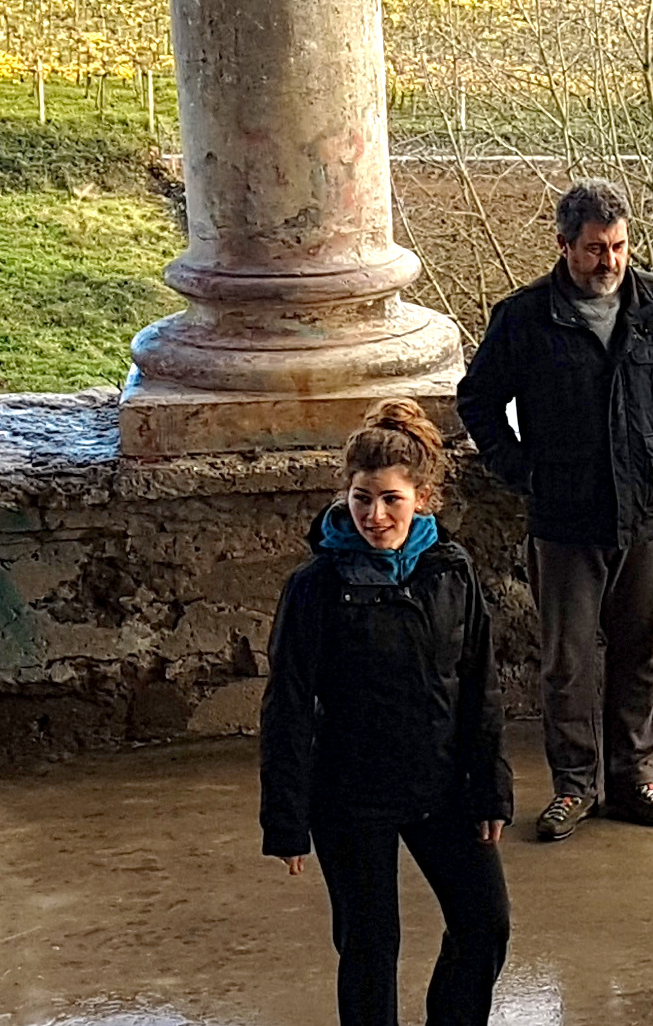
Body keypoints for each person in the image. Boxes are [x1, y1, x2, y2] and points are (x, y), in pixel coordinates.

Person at [455, 178, 653, 841]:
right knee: (567, 664)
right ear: (565, 245)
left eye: (619, 246)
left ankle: (634, 779)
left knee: (641, 655)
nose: (609, 260)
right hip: (565, 519)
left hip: (647, 513)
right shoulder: (525, 317)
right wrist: (524, 473)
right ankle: (574, 786)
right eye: (595, 248)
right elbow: (478, 400)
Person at [260, 400, 513, 1026]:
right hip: (350, 795)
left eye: (391, 500)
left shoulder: (451, 571)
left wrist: (490, 789)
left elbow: (478, 686)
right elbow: (288, 706)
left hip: (442, 784)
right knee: (371, 948)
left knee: (484, 924)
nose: (375, 516)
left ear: (421, 498)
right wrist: (287, 820)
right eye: (361, 499)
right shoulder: (315, 587)